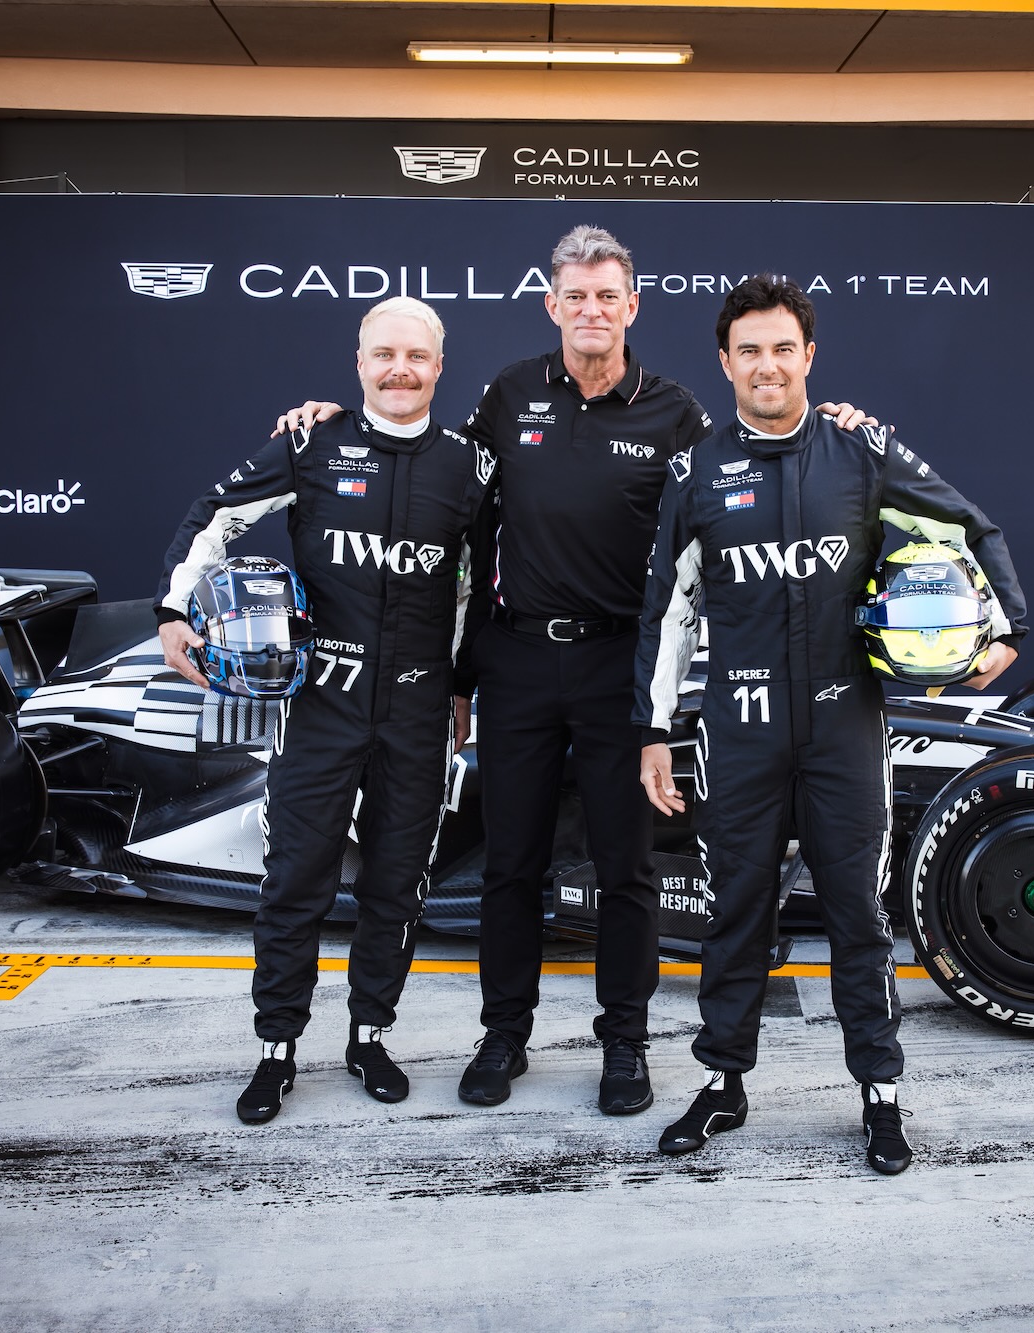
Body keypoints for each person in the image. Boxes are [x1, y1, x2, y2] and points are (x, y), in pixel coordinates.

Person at [276, 227, 872, 1117]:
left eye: (608, 296)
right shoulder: (509, 394)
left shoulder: (675, 411)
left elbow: (743, 466)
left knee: (625, 867)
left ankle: (624, 1045)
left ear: (631, 307)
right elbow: (439, 483)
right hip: (517, 661)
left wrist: (838, 429)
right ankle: (503, 1034)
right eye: (575, 296)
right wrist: (332, 425)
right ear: (552, 305)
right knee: (511, 862)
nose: (592, 310)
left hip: (617, 668)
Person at [632, 275, 1029, 1174]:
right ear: (724, 363)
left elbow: (969, 526)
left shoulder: (861, 450)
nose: (767, 366)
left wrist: (1007, 633)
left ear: (809, 357)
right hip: (739, 734)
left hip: (846, 729)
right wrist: (653, 731)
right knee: (736, 914)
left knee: (856, 916)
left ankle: (879, 1093)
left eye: (783, 348)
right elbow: (668, 612)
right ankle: (724, 1080)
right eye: (749, 351)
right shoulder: (696, 473)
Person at [156, 296, 490, 1124]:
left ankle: (370, 1035)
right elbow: (215, 516)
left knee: (395, 885)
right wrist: (172, 610)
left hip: (416, 714)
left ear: (438, 367)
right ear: (360, 363)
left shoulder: (470, 465)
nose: (400, 369)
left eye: (415, 356)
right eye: (384, 355)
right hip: (322, 709)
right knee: (294, 882)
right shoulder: (311, 442)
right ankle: (276, 1048)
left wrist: (460, 685)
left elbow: (478, 589)